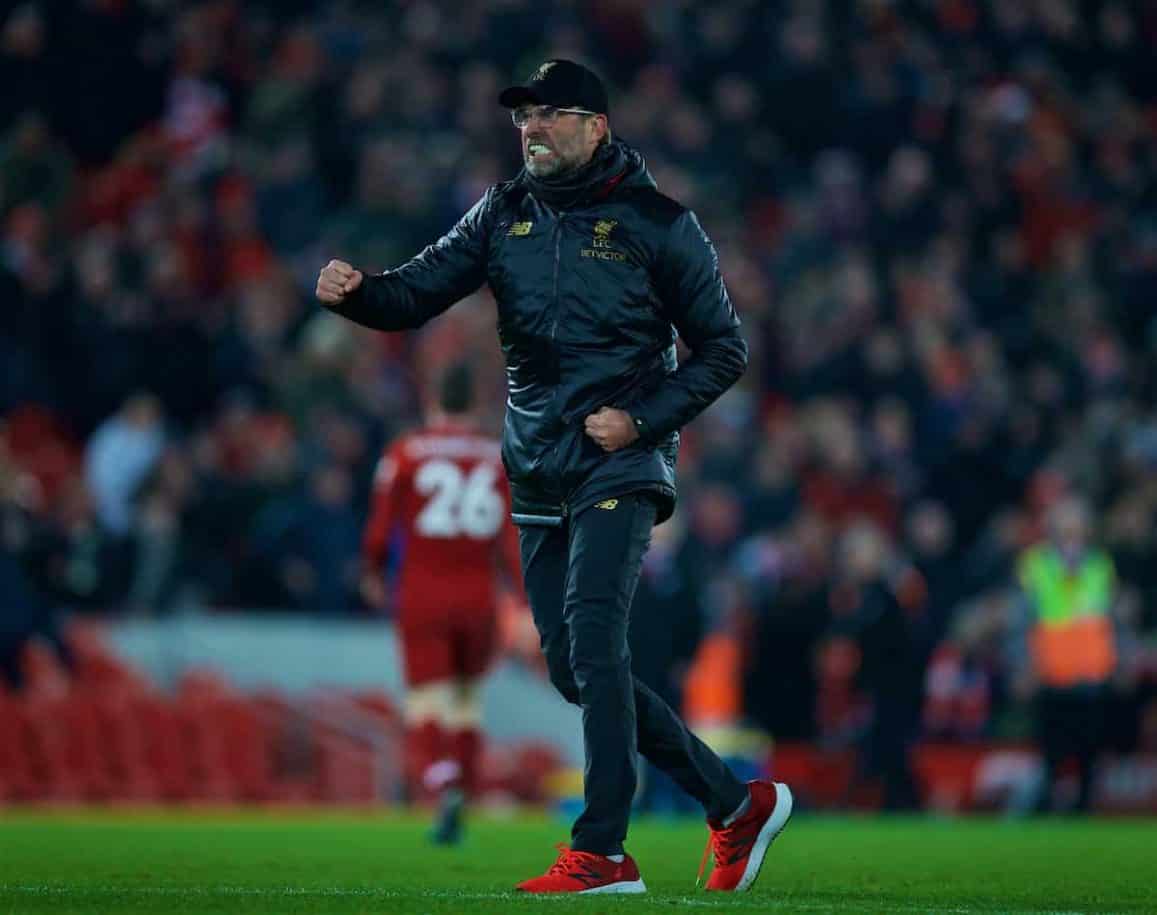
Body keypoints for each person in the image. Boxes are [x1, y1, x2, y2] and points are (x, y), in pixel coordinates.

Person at [318, 59, 792, 894]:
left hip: (619, 460)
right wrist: (359, 294)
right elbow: (413, 295)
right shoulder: (503, 213)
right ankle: (734, 802)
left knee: (596, 643)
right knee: (575, 670)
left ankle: (602, 850)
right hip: (534, 471)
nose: (531, 128)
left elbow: (724, 349)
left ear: (596, 127)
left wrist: (641, 420)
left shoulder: (659, 223)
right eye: (522, 117)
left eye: (550, 114)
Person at [361, 362, 522, 844]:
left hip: (423, 590)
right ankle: (462, 790)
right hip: (478, 593)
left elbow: (380, 526)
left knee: (426, 698)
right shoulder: (498, 458)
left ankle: (441, 782)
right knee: (468, 700)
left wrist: (371, 572)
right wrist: (521, 594)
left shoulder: (404, 453)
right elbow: (512, 537)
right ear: (474, 404)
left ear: (433, 402)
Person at [1017, 496, 1118, 812]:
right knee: (1051, 752)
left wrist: (1118, 659)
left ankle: (1083, 810)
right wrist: (1023, 664)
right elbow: (1022, 619)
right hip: (1050, 673)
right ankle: (1048, 808)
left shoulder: (1101, 565)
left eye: (1076, 518)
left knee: (1089, 751)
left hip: (1091, 674)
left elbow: (1110, 618)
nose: (1071, 526)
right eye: (1065, 518)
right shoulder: (1035, 564)